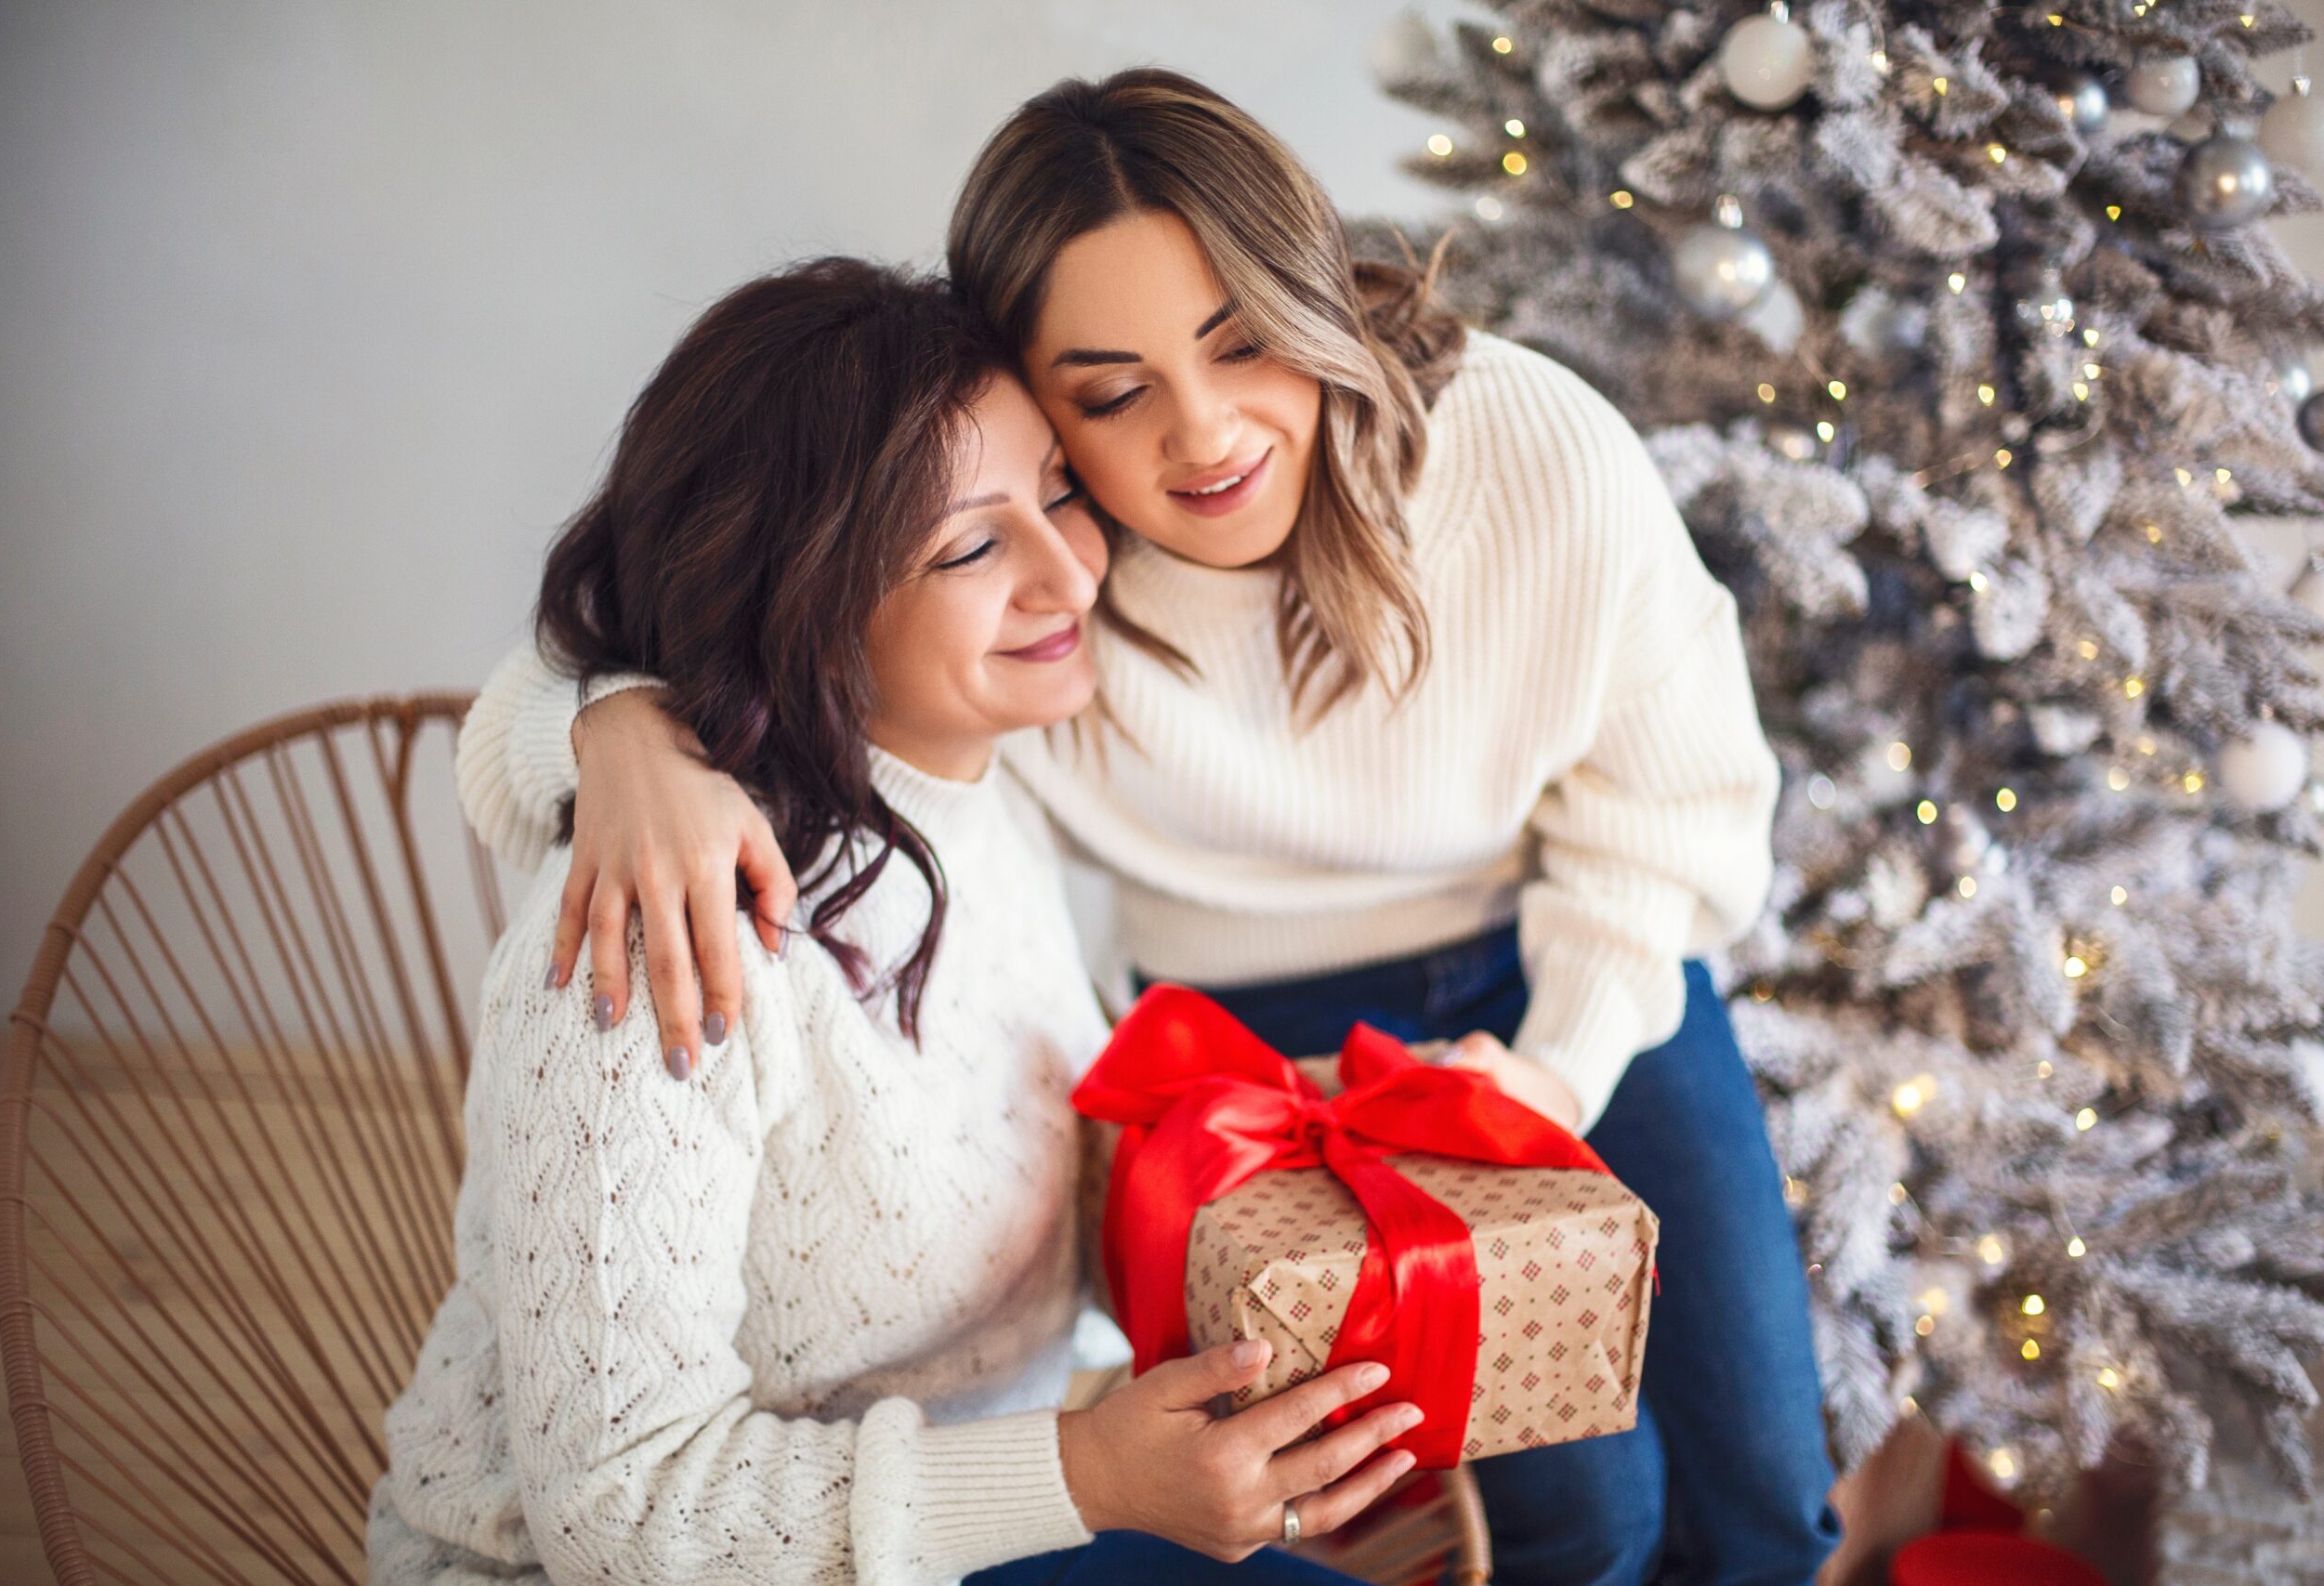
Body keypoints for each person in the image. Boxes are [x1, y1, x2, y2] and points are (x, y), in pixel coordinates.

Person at [459, 70, 1844, 1586]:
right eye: (1111, 396)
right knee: (1581, 1510)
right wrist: (617, 728)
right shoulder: (1043, 588)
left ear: (1315, 298)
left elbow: (1671, 812)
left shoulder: (1523, 454)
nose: (1203, 438)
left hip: (1580, 956)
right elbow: (719, 569)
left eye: (1245, 341)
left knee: (1766, 1478)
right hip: (1258, 1023)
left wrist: (1552, 1069)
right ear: (1032, 400)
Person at [369, 257, 1421, 1586]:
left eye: (1057, 494)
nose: (1071, 572)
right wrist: (1089, 1472)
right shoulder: (666, 938)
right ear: (798, 597)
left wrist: (1301, 1126)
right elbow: (616, 1509)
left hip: (972, 1516)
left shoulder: (984, 782)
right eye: (972, 544)